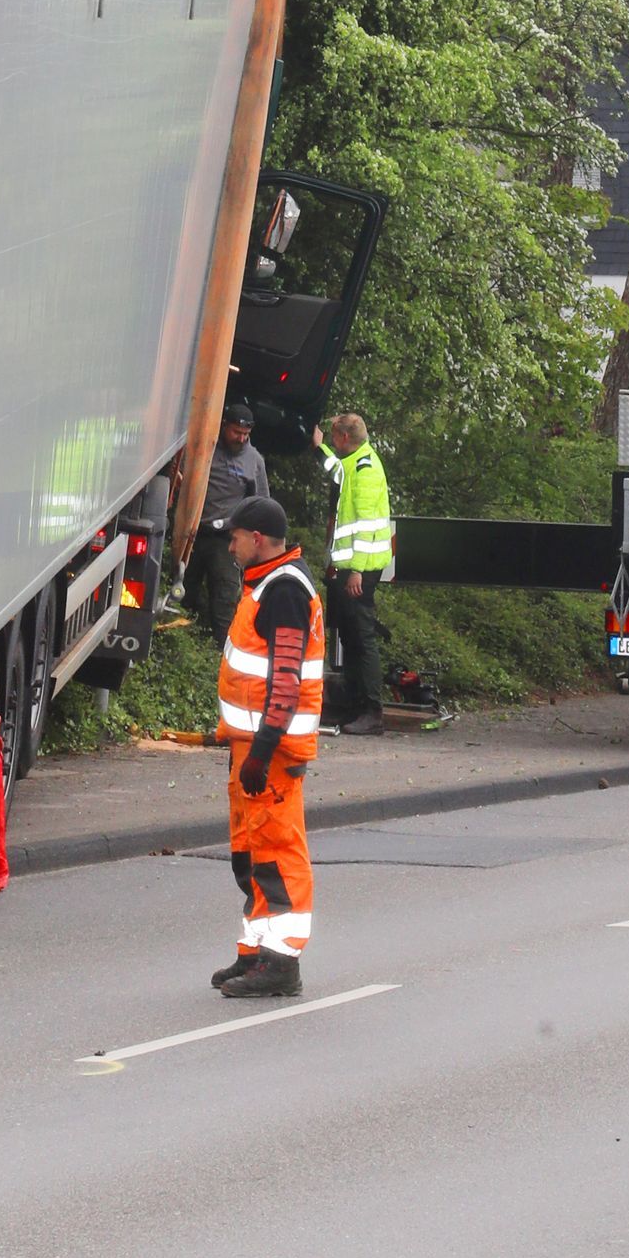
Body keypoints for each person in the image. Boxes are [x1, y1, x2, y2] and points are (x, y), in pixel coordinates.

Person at [213, 493, 321, 999]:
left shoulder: (284, 591)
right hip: (252, 749)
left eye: (233, 538)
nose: (229, 547)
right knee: (251, 853)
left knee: (276, 853)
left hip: (271, 753)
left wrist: (262, 748)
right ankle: (256, 952)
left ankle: (282, 964)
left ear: (256, 539)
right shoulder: (265, 584)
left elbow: (286, 678)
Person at [320, 408, 394, 734]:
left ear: (345, 438)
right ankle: (353, 705)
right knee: (349, 635)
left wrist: (357, 574)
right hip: (350, 565)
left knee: (361, 637)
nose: (333, 442)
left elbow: (365, 527)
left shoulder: (365, 470)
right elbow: (336, 469)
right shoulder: (354, 461)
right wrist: (318, 446)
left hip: (360, 568)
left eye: (334, 437)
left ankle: (371, 710)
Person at [185, 385, 266, 650]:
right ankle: (182, 646)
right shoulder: (206, 446)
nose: (241, 438)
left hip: (226, 540)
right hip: (193, 532)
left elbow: (261, 503)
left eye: (246, 434)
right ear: (223, 426)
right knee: (183, 591)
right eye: (236, 432)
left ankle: (222, 655)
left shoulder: (254, 461)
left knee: (225, 599)